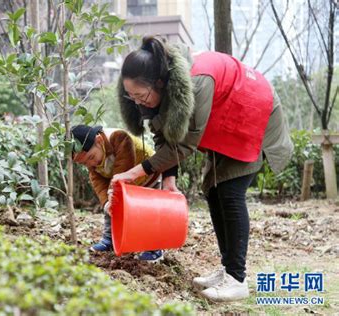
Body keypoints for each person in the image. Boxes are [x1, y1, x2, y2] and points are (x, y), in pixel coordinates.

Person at [112, 36, 293, 301]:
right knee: (214, 190)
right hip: (225, 121)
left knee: (229, 192)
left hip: (253, 113)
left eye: (141, 95)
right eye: (131, 97)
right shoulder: (158, 92)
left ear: (159, 83)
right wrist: (169, 178)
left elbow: (183, 145)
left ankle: (237, 278)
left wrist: (135, 171)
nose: (138, 102)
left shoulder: (194, 84)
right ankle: (227, 269)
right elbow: (165, 135)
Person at [71, 124, 163, 262]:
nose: (91, 164)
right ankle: (109, 239)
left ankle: (154, 247)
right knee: (110, 208)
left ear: (99, 141)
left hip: (147, 176)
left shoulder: (119, 138)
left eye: (91, 157)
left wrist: (113, 192)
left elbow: (124, 166)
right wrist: (107, 202)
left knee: (149, 212)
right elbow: (99, 183)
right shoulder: (92, 164)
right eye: (85, 163)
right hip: (119, 183)